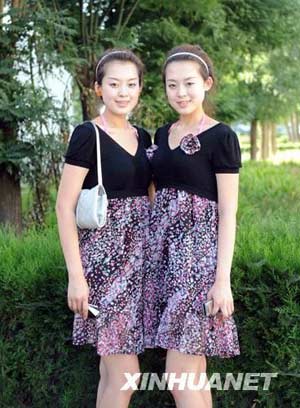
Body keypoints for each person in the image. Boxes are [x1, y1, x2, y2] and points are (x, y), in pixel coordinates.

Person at [143, 44, 242, 407]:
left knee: (178, 375)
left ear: (207, 84)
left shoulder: (221, 137)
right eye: (171, 85)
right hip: (165, 262)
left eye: (188, 83)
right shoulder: (160, 134)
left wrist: (222, 280)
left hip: (198, 265)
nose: (180, 93)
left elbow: (228, 211)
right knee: (194, 373)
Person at [56, 48, 152, 408]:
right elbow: (64, 207)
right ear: (98, 88)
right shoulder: (87, 135)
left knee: (111, 373)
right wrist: (76, 276)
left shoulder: (144, 138)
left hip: (138, 265)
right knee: (127, 373)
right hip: (104, 265)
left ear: (140, 88)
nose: (122, 92)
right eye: (114, 84)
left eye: (131, 84)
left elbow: (151, 199)